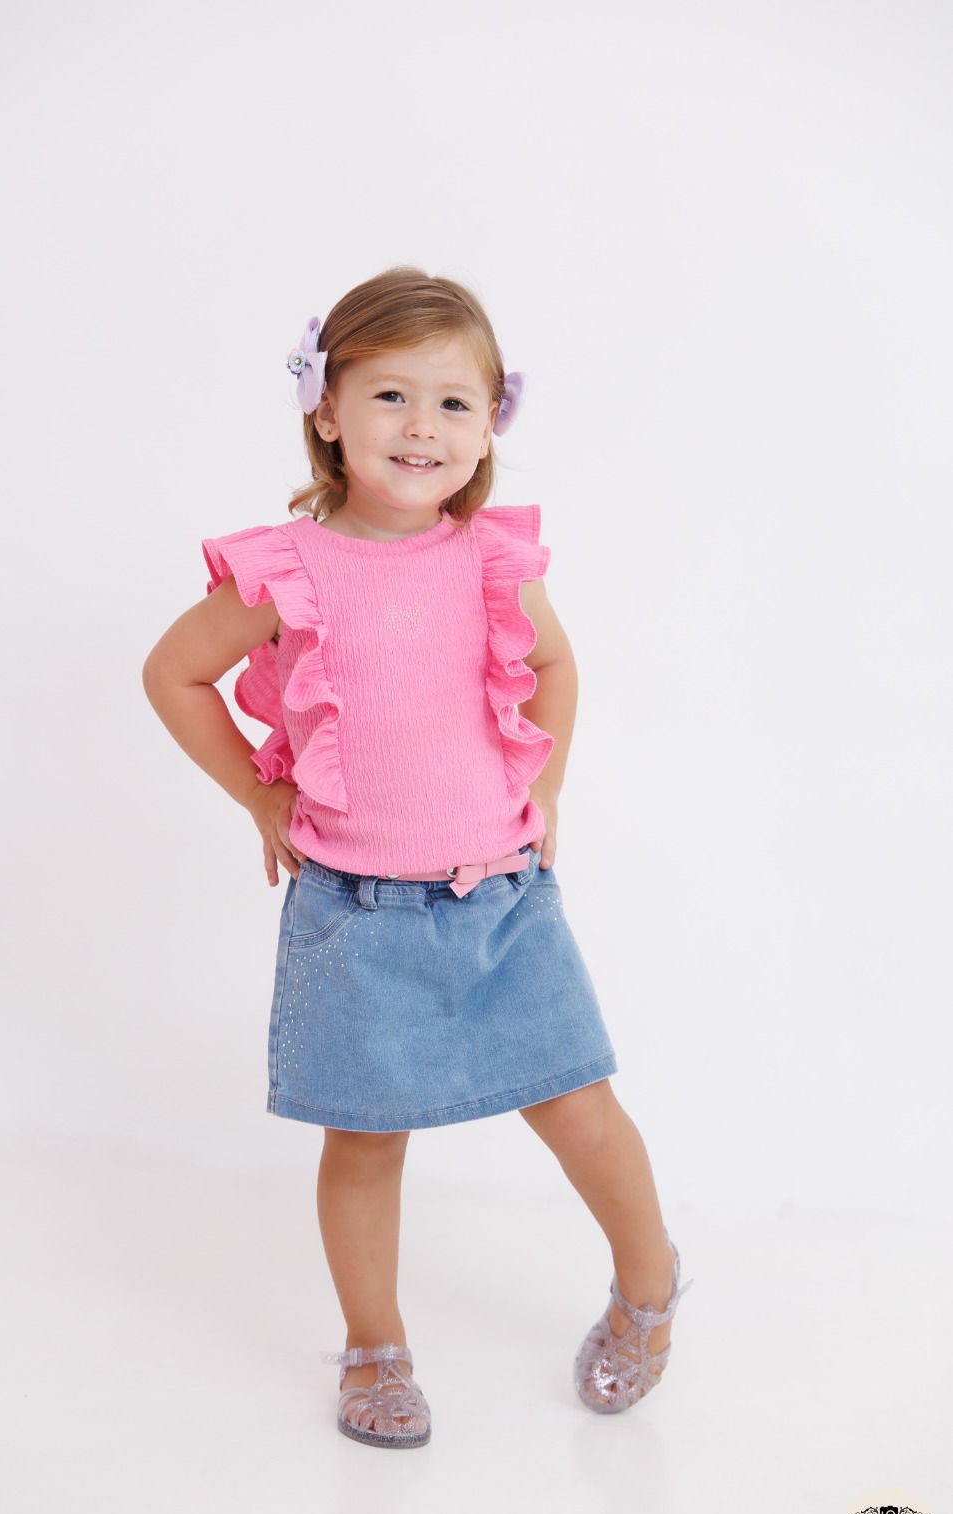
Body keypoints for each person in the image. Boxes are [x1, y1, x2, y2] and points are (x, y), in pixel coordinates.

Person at [142, 265, 693, 1450]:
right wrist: (258, 793)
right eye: (390, 395)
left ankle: (650, 1285)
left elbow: (554, 665)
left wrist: (545, 783)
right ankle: (373, 1345)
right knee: (362, 1138)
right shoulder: (288, 569)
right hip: (354, 911)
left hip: (504, 901)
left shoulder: (487, 556)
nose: (421, 426)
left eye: (453, 402)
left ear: (490, 424)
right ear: (327, 408)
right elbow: (172, 673)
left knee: (582, 1109)